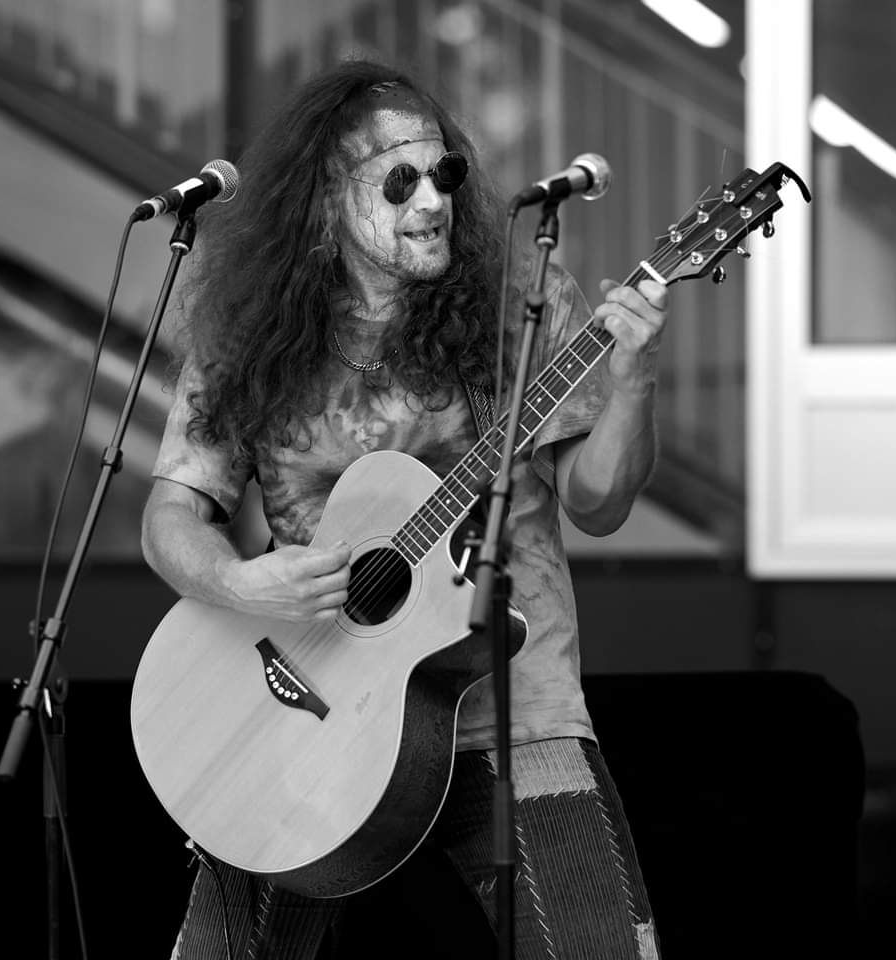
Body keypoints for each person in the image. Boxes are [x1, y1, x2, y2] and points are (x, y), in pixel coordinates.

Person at [141, 58, 668, 960]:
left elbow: (597, 504)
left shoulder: (521, 302)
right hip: (304, 701)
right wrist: (238, 581)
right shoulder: (249, 327)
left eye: (443, 174)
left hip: (515, 701)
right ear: (324, 202)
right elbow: (171, 517)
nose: (431, 201)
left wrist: (633, 385)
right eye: (397, 182)